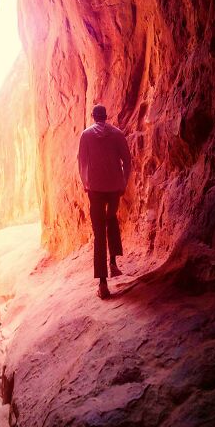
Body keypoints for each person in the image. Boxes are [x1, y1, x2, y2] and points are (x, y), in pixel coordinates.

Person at [77, 104, 132, 299]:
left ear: (93, 117)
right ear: (106, 116)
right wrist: (123, 182)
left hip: (96, 189)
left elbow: (81, 161)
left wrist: (86, 183)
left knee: (99, 233)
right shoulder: (117, 134)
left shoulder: (86, 135)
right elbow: (127, 160)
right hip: (114, 188)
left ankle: (102, 284)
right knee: (112, 219)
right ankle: (113, 264)